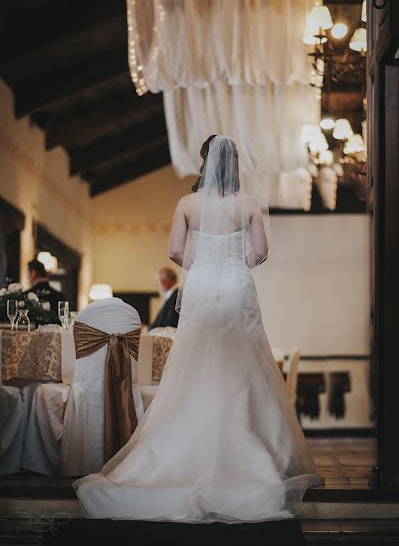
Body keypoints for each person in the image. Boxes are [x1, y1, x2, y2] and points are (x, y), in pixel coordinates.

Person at [74, 135, 323, 522]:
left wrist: (205, 264)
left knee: (193, 362)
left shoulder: (187, 204)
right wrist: (235, 265)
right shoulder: (248, 203)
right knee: (242, 364)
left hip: (202, 283)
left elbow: (175, 251)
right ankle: (248, 448)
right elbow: (261, 252)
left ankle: (183, 445)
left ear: (205, 163)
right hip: (237, 284)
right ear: (235, 165)